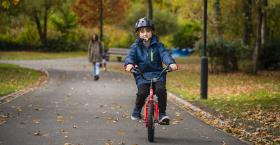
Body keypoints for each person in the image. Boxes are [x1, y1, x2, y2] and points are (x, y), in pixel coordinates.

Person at [124, 17, 178, 124]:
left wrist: (170, 63)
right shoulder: (135, 47)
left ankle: (162, 114)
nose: (145, 34)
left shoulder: (158, 45)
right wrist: (129, 64)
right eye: (142, 31)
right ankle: (137, 110)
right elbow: (130, 56)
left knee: (161, 91)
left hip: (158, 73)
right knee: (142, 92)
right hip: (142, 74)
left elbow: (165, 55)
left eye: (148, 31)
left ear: (152, 32)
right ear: (138, 33)